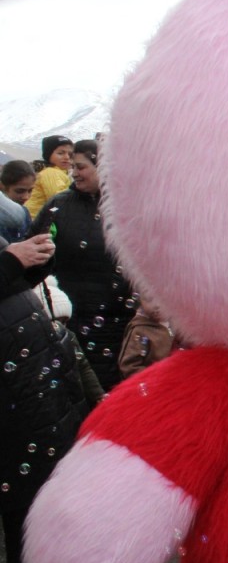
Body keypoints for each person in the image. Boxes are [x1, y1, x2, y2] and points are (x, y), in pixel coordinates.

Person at [1, 231, 99, 563]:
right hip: (13, 371)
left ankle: (21, 562)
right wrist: (11, 261)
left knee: (21, 469)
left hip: (23, 370)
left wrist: (36, 261)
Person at [29, 140, 135, 393]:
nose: (74, 172)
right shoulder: (59, 206)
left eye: (81, 167)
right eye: (73, 167)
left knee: (115, 389)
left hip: (120, 320)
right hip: (73, 317)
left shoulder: (129, 206)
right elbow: (33, 257)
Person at [118, 292, 178, 380]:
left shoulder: (173, 324)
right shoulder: (139, 329)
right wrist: (155, 379)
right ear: (140, 302)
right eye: (149, 300)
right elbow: (129, 367)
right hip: (152, 382)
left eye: (162, 300)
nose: (157, 305)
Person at [23, 135, 73, 219]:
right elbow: (59, 201)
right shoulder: (51, 173)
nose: (67, 157)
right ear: (48, 155)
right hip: (35, 219)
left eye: (70, 154)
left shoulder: (60, 172)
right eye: (60, 153)